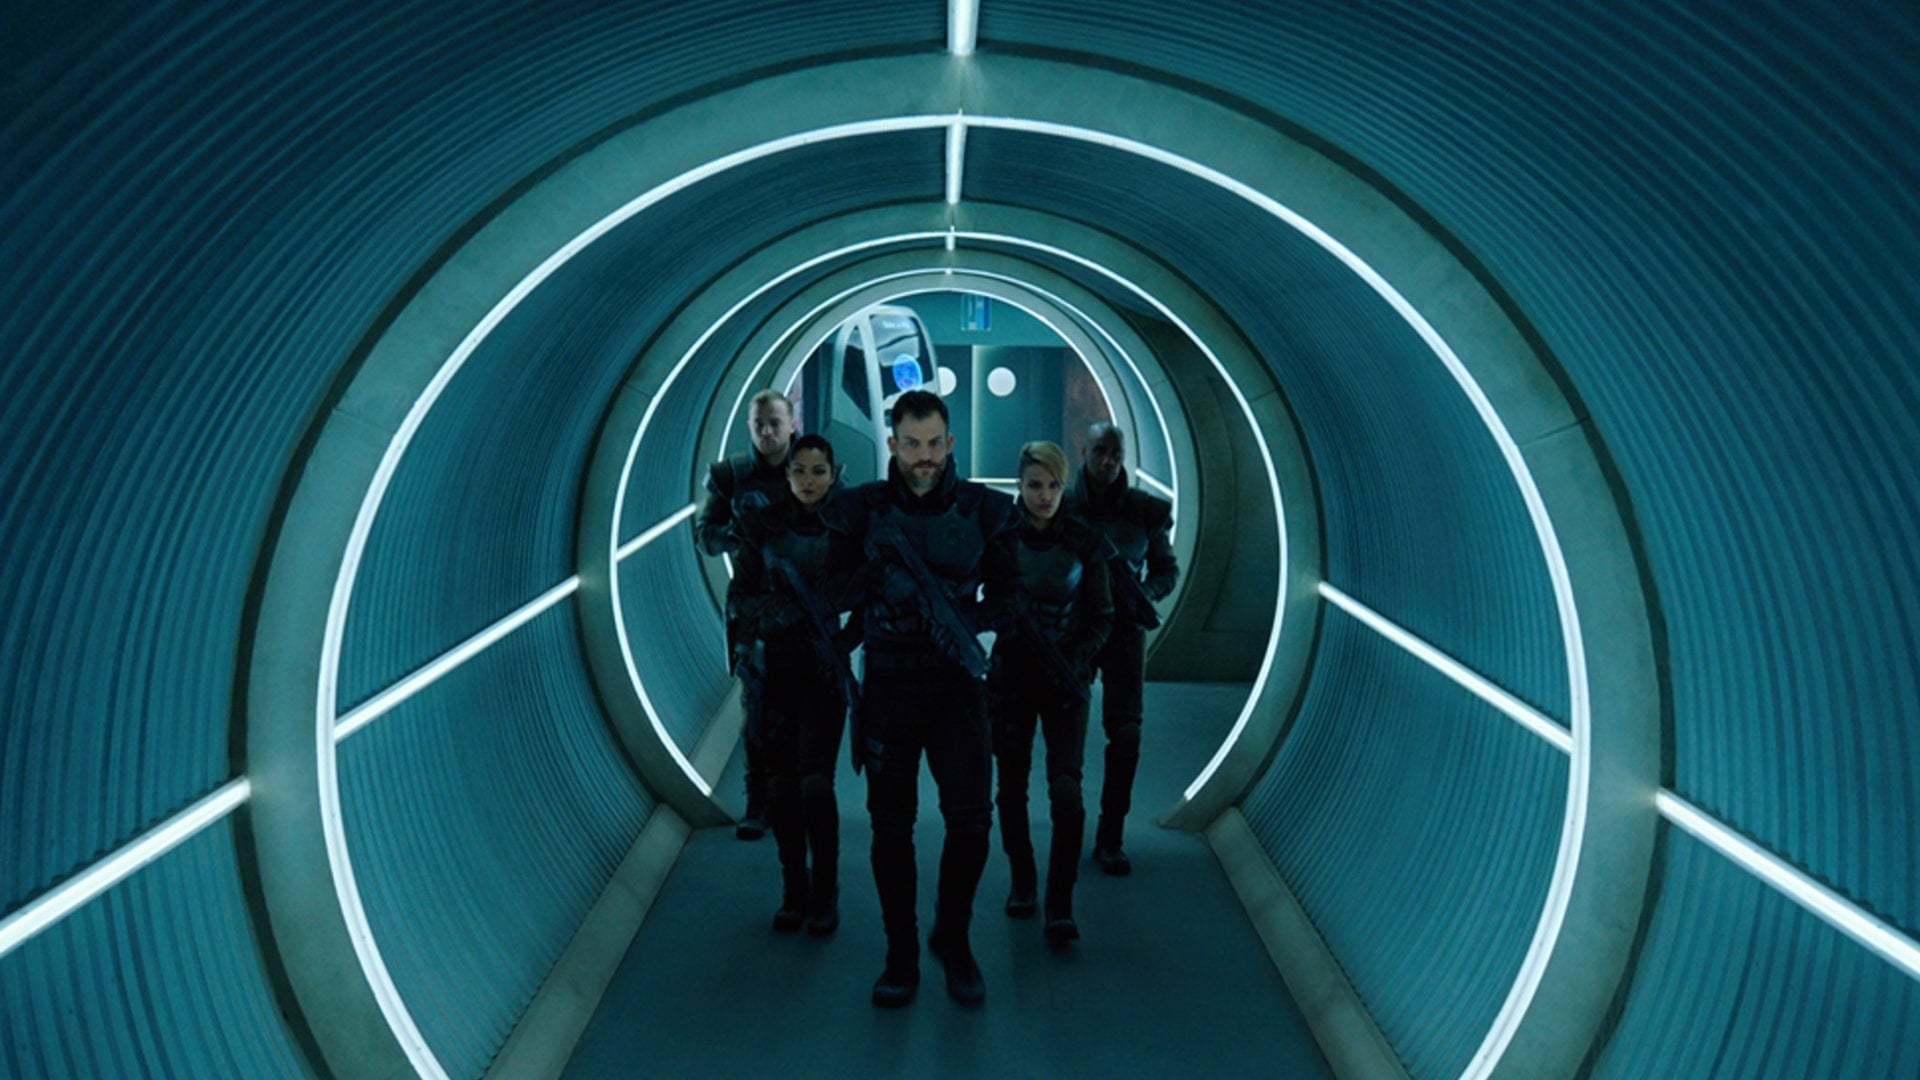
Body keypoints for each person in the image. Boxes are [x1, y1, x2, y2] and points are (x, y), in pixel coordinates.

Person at [827, 389, 1022, 1008]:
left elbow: (1014, 598)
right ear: (892, 444)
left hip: (957, 686)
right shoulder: (859, 510)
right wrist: (879, 580)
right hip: (889, 684)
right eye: (912, 444)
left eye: (935, 443)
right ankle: (901, 954)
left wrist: (966, 619)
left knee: (972, 822)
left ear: (951, 442)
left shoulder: (987, 510)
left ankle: (953, 939)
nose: (924, 456)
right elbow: (830, 591)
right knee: (891, 827)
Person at [726, 433, 858, 937]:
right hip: (776, 669)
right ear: (788, 474)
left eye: (818, 471)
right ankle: (794, 889)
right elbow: (740, 597)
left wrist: (843, 641)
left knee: (815, 783)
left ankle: (824, 892)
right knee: (781, 785)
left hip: (823, 670)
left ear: (833, 473)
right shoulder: (763, 526)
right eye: (800, 471)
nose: (808, 481)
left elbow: (868, 592)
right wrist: (770, 617)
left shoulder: (847, 528)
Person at [990, 441, 1112, 944]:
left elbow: (1102, 616)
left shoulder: (1085, 541)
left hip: (1064, 680)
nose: (1044, 495)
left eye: (1054, 485)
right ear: (1019, 486)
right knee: (1010, 786)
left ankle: (1059, 902)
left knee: (1066, 788)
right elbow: (981, 602)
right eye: (1035, 485)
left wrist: (1076, 661)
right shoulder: (999, 537)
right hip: (1012, 677)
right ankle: (1023, 882)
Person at [1064, 422, 1179, 876]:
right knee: (1068, 734)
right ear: (1084, 451)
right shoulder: (1063, 506)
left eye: (1115, 452)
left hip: (1125, 632)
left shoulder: (1145, 511)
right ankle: (1069, 830)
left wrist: (1144, 594)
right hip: (1075, 629)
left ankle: (1110, 837)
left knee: (1126, 733)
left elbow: (1166, 570)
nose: (1108, 461)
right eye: (1100, 451)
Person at [694, 388, 796, 841]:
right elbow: (706, 536)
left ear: (791, 424)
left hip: (804, 607)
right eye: (760, 425)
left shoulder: (813, 467)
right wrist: (741, 533)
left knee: (807, 706)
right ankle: (759, 800)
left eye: (775, 423)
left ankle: (796, 796)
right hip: (753, 607)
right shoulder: (730, 477)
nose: (768, 432)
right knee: (757, 708)